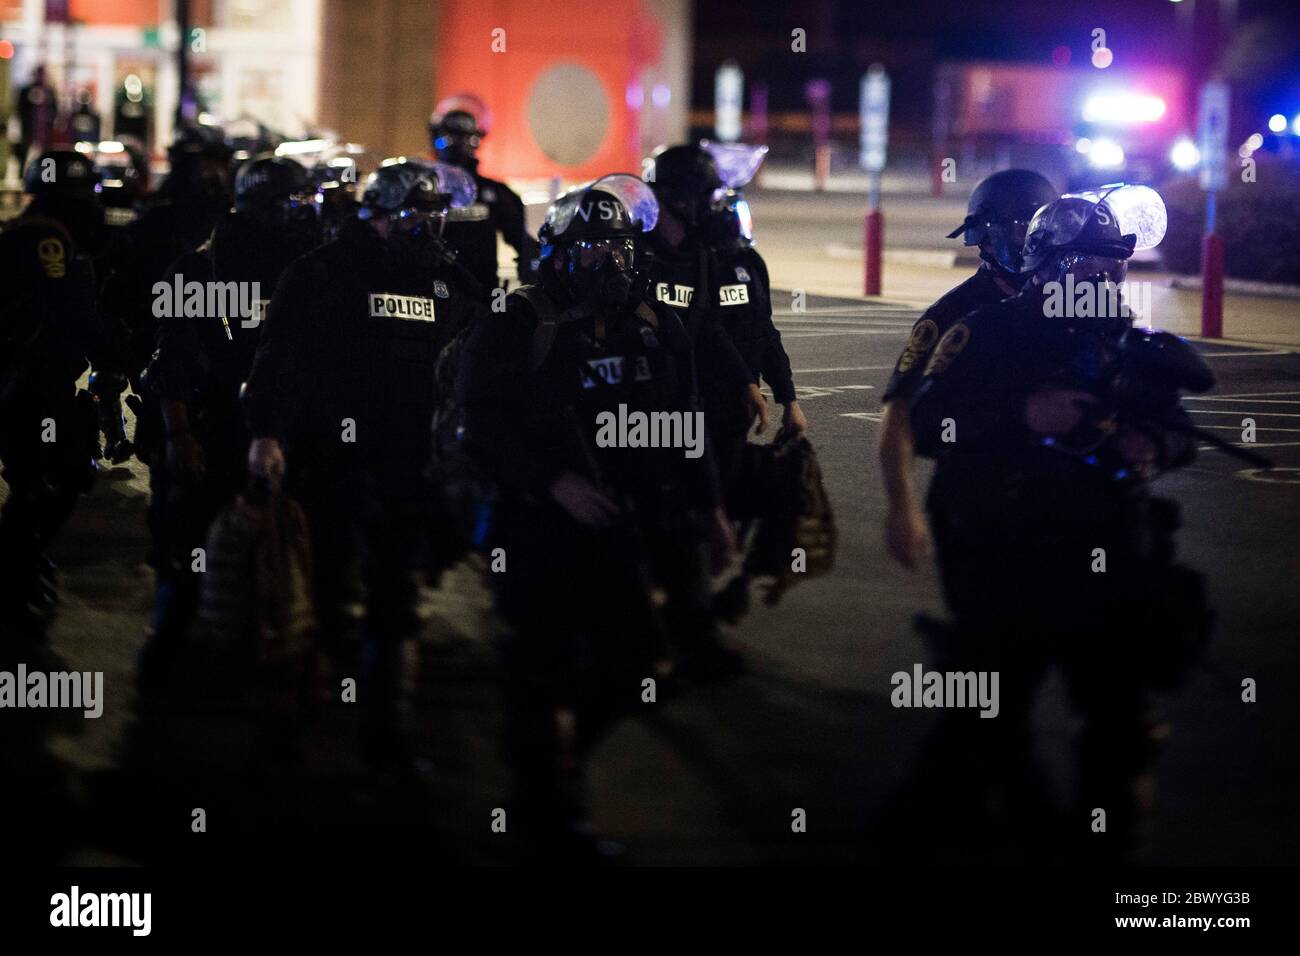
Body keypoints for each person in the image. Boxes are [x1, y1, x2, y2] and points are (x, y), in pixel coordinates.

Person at [906, 187, 1211, 861]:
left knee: (1120, 721)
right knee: (984, 709)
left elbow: (1181, 431)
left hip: (1109, 556)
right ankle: (932, 824)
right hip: (1009, 552)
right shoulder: (990, 334)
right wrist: (1024, 416)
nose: (1101, 279)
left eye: (1111, 265)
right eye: (1086, 264)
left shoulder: (1129, 342)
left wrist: (1153, 447)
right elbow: (929, 424)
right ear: (1048, 264)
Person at [458, 174, 743, 857]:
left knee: (640, 671)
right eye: (592, 249)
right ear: (558, 253)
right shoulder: (519, 322)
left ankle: (556, 764)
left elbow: (683, 424)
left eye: (619, 248)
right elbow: (482, 426)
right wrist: (552, 482)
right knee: (537, 672)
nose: (609, 262)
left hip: (619, 529)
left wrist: (711, 510)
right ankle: (544, 817)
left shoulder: (652, 323)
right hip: (536, 530)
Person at [243, 159, 488, 777]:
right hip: (331, 461)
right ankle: (289, 733)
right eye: (416, 215)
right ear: (377, 216)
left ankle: (387, 740)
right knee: (317, 603)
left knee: (394, 603)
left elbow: (473, 370)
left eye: (437, 215)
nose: (430, 227)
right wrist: (267, 433)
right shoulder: (323, 273)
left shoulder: (449, 281)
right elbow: (282, 356)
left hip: (409, 469)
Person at [137, 155, 322, 685]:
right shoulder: (202, 269)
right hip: (214, 425)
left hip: (285, 430)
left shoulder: (309, 269)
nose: (303, 214)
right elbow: (170, 359)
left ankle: (262, 654)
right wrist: (178, 434)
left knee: (280, 549)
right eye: (293, 204)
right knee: (190, 541)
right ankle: (168, 646)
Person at [879, 169, 1058, 569]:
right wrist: (902, 509)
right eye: (1020, 227)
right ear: (988, 234)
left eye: (1040, 226)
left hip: (1052, 499)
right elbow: (899, 415)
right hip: (978, 497)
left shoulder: (1067, 305)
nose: (1032, 239)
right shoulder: (951, 316)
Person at [0, 150, 107, 643]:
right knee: (48, 478)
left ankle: (22, 570)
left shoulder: (30, 232)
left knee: (41, 479)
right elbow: (63, 316)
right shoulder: (49, 241)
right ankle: (16, 577)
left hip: (31, 385)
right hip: (33, 389)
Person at [429, 107, 538, 290]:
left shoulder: (496, 193)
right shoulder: (423, 190)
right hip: (434, 291)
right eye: (449, 139)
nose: (458, 145)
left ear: (476, 141)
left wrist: (531, 278)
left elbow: (524, 244)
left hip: (482, 295)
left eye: (466, 139)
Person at [16, 66, 58, 173]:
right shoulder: (26, 90)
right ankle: (22, 174)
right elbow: (20, 107)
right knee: (25, 152)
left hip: (44, 129)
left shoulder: (49, 91)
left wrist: (49, 120)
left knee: (46, 153)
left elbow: (54, 109)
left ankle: (47, 175)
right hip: (29, 127)